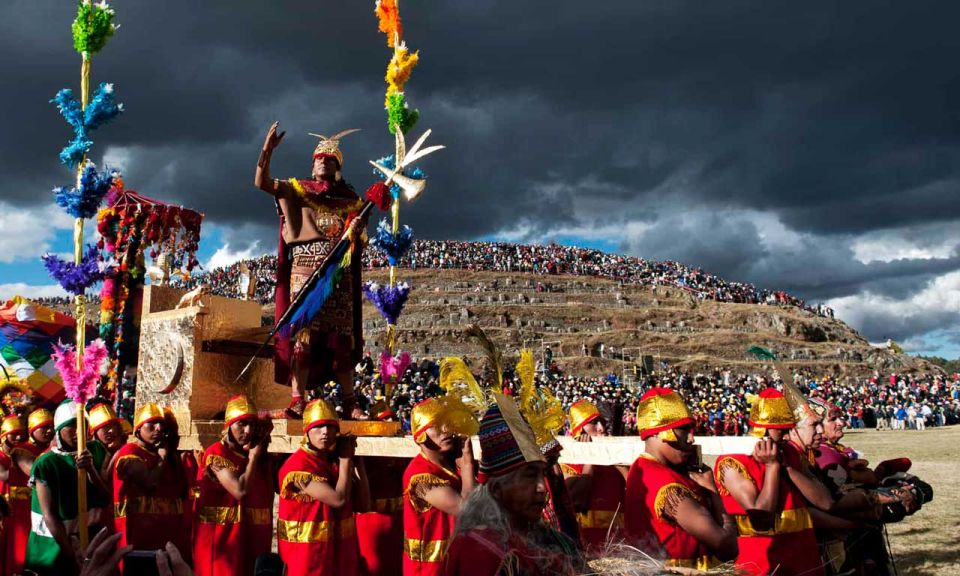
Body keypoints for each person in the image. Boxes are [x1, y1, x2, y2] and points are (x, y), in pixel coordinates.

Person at [255, 121, 369, 418]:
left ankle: (349, 401)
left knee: (342, 341)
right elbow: (262, 183)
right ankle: (297, 398)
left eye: (329, 160)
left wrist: (356, 230)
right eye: (318, 158)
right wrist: (266, 151)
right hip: (305, 269)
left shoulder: (352, 200)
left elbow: (361, 242)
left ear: (337, 166)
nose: (322, 162)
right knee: (302, 339)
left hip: (339, 275)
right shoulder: (296, 190)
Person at [443, 397, 583, 576]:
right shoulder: (481, 550)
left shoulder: (555, 541)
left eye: (544, 474)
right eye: (530, 475)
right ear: (497, 489)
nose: (543, 488)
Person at [624, 388, 738, 571]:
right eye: (684, 429)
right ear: (660, 432)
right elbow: (727, 547)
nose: (692, 438)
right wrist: (713, 491)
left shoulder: (646, 467)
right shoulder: (665, 483)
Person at [714, 388, 824, 576]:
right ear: (763, 429)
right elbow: (762, 519)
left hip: (804, 559)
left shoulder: (789, 453)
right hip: (764, 564)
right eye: (781, 430)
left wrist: (787, 468)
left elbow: (823, 501)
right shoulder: (732, 462)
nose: (787, 435)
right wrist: (773, 467)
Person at [277, 398, 369, 576]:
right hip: (308, 556)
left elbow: (364, 505)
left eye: (331, 426)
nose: (325, 432)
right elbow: (339, 500)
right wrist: (345, 459)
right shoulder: (297, 466)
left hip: (339, 552)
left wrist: (359, 464)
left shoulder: (332, 462)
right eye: (318, 427)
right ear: (307, 431)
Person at [25, 401, 111, 575]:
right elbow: (50, 516)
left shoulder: (95, 450)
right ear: (59, 430)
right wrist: (73, 554)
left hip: (89, 538)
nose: (79, 432)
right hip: (54, 545)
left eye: (82, 425)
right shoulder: (46, 463)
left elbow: (105, 498)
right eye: (71, 427)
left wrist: (90, 468)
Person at [193, 395, 275, 576]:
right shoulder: (216, 453)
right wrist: (253, 457)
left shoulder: (254, 456)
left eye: (252, 425)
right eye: (241, 424)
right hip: (222, 542)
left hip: (247, 539)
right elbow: (240, 490)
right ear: (228, 425)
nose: (247, 430)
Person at [112, 402, 192, 571]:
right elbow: (149, 482)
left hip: (168, 539)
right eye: (152, 424)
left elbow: (183, 492)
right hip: (139, 538)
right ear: (139, 428)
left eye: (162, 426)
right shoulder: (129, 452)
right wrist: (162, 458)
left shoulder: (167, 457)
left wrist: (173, 455)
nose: (158, 429)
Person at [402, 398, 476, 576]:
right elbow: (469, 511)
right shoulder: (419, 476)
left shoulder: (449, 466)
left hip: (451, 562)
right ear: (421, 435)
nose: (446, 430)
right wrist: (467, 466)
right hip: (429, 569)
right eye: (436, 425)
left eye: (448, 423)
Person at [561, 399, 625, 552]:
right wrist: (589, 458)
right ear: (579, 429)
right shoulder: (565, 462)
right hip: (585, 546)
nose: (601, 429)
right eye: (594, 424)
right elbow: (577, 502)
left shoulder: (613, 459)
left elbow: (636, 493)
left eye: (602, 423)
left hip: (619, 545)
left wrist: (616, 459)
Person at [357, 401, 406, 576]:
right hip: (372, 519)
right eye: (385, 422)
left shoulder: (404, 450)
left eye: (392, 421)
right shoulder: (365, 450)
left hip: (399, 518)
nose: (390, 427)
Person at [1, 415, 36, 575]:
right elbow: (5, 476)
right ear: (3, 435)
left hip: (22, 512)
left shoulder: (24, 452)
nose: (18, 437)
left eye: (20, 433)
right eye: (13, 433)